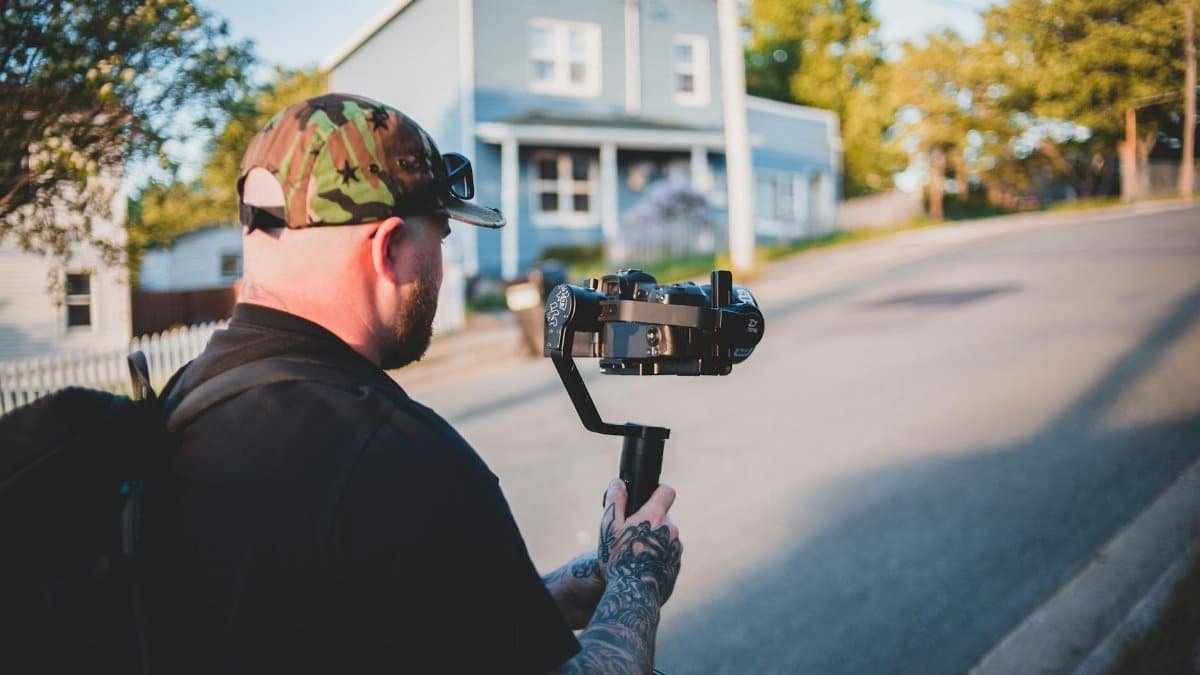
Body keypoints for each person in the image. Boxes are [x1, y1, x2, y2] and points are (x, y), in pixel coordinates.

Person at [154, 93, 683, 674]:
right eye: (440, 238)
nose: (441, 268)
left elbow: (371, 624)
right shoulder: (396, 458)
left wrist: (572, 588)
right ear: (387, 249)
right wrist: (637, 583)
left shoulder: (186, 400)